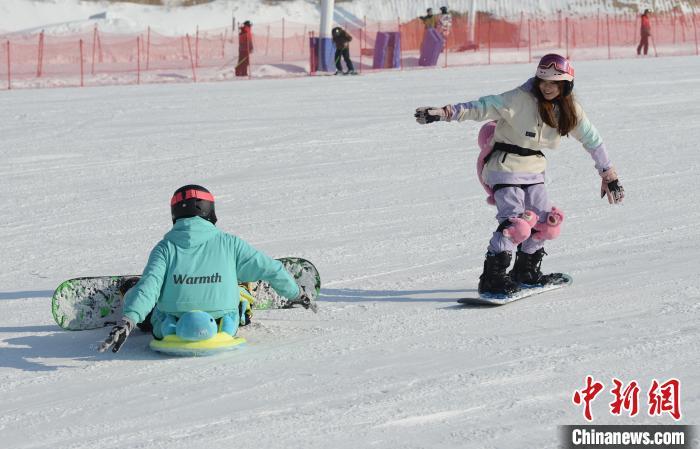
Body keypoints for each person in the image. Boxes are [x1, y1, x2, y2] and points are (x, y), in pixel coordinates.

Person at [414, 54, 625, 296]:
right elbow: (481, 107)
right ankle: (492, 278)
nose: (547, 87)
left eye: (554, 83)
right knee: (517, 225)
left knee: (548, 223)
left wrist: (609, 175)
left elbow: (593, 140)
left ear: (565, 85)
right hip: (503, 167)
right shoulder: (519, 99)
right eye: (543, 81)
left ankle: (525, 271)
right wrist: (444, 112)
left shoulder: (569, 111)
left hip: (533, 169)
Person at [99, 185, 303, 353]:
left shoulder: (165, 248)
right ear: (210, 211)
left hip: (171, 329)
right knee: (237, 288)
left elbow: (149, 286)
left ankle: (129, 293)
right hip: (223, 327)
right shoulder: (229, 243)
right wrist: (295, 293)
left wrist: (128, 320)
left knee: (144, 289)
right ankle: (244, 296)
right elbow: (271, 268)